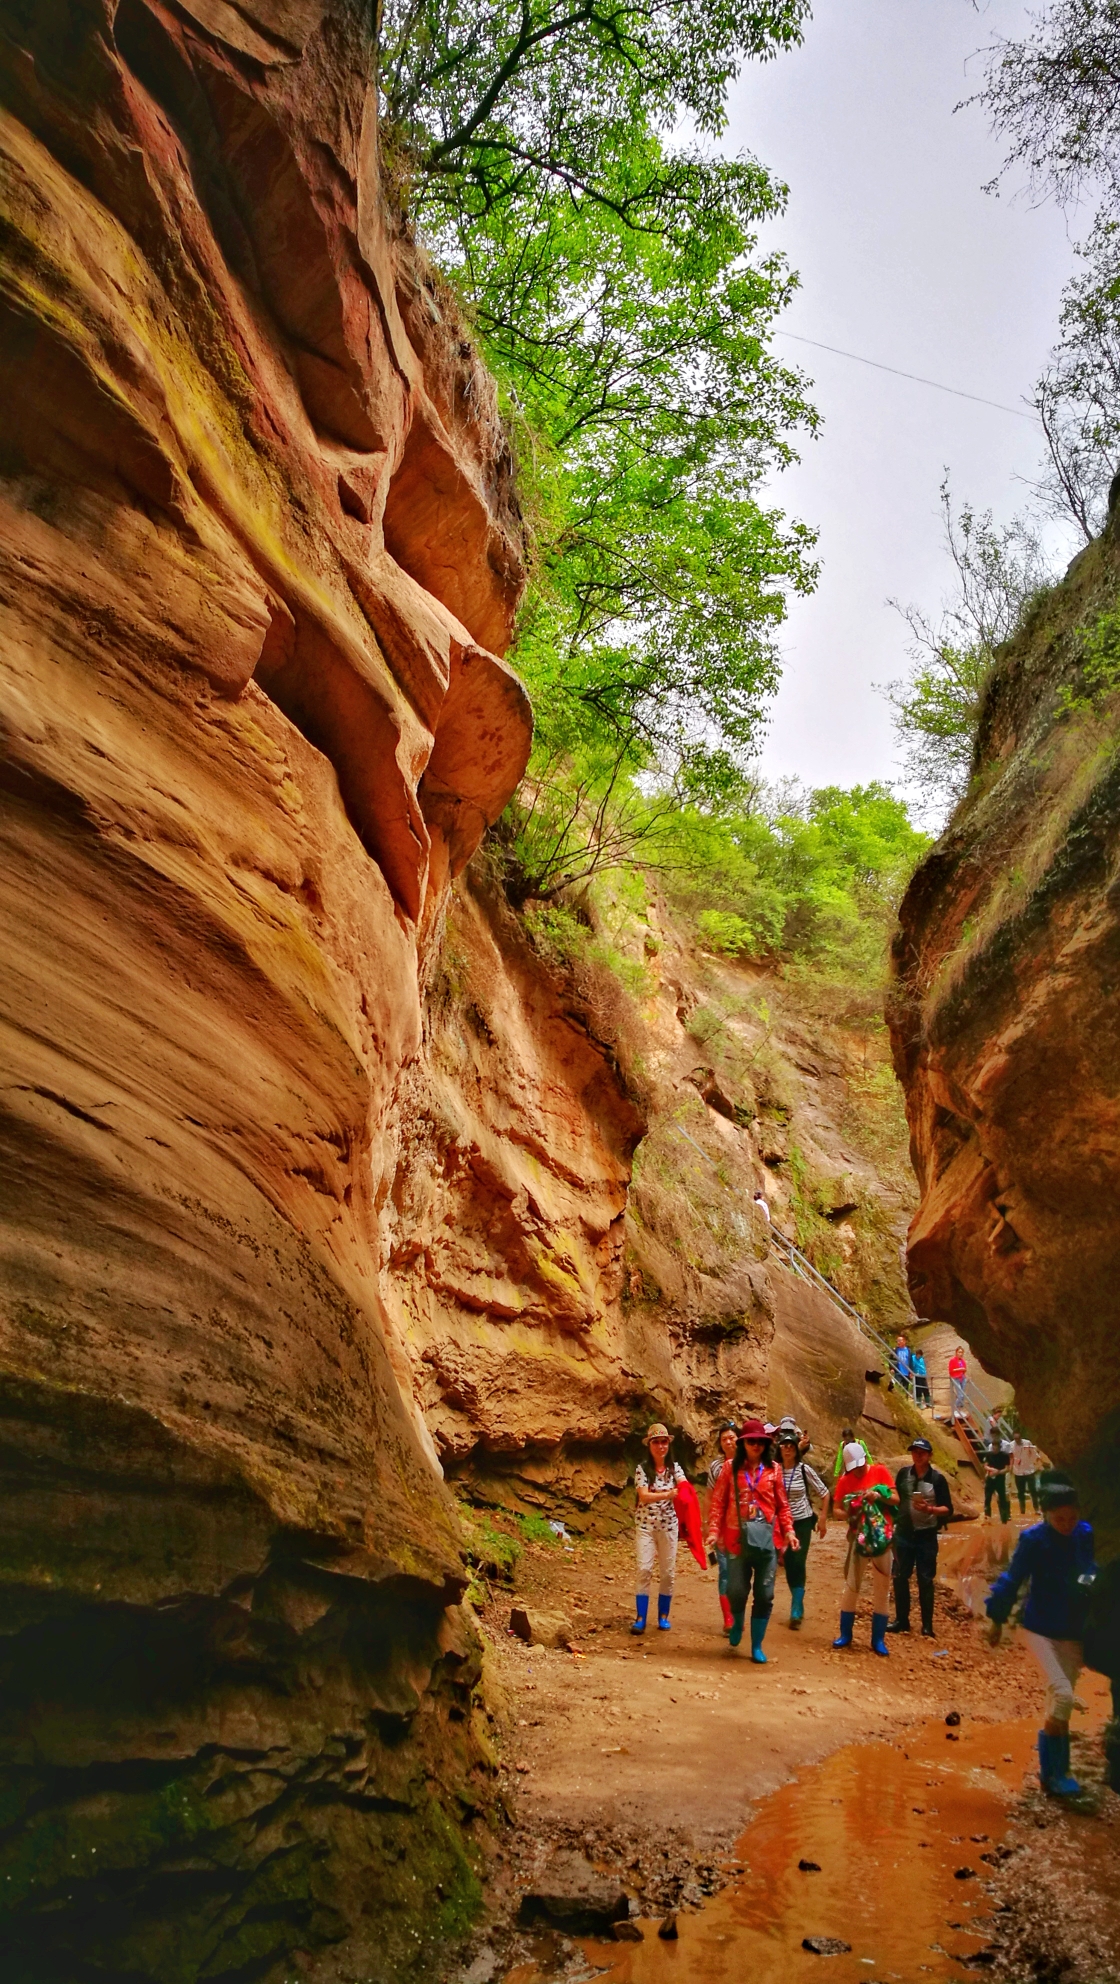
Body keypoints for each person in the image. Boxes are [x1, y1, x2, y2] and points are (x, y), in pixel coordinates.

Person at [986, 1475, 1096, 1797]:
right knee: (1063, 1695)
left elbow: (1091, 1569)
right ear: (1046, 1515)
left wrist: (1088, 1585)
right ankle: (1055, 1775)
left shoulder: (1084, 1534)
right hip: (1038, 1628)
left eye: (1072, 1518)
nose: (1066, 1525)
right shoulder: (1033, 1540)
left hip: (1072, 1630)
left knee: (1058, 1705)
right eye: (1059, 1519)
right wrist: (997, 1619)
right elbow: (1013, 1578)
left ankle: (1058, 1771)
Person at [706, 1419, 796, 1660]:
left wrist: (790, 1532)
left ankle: (757, 1645)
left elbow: (783, 1505)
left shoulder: (774, 1470)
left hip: (767, 1539)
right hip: (736, 1538)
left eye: (760, 1442)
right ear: (743, 1443)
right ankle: (737, 1622)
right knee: (735, 1589)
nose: (756, 1445)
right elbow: (718, 1502)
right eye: (751, 1441)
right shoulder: (729, 1468)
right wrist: (714, 1531)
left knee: (765, 1594)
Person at [828, 1440, 899, 1656]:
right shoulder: (845, 1481)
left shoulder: (880, 1472)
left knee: (882, 1586)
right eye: (854, 1468)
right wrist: (853, 1509)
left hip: (881, 1536)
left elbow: (896, 1499)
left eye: (860, 1467)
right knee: (852, 1585)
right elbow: (836, 1510)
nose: (858, 1472)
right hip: (858, 1537)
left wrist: (879, 1495)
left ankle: (878, 1639)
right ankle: (845, 1634)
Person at [888, 1437, 953, 1637]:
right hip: (904, 1534)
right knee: (899, 1577)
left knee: (925, 1579)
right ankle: (901, 1620)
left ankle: (927, 1626)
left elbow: (948, 1509)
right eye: (915, 1451)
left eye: (922, 1452)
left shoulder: (938, 1480)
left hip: (927, 1535)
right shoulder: (903, 1474)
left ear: (929, 1455)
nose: (917, 1455)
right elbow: (895, 1498)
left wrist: (930, 1509)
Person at [632, 1424, 686, 1634]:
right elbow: (643, 1496)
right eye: (656, 1442)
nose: (660, 1446)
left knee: (667, 1573)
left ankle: (663, 1616)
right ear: (650, 1445)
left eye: (664, 1442)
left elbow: (684, 1487)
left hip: (668, 1526)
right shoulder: (642, 1469)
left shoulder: (675, 1469)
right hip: (645, 1526)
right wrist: (667, 1495)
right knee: (644, 1569)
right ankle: (640, 1617)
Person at [776, 1429, 828, 1628]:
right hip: (782, 1523)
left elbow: (824, 1493)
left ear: (796, 1449)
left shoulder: (804, 1470)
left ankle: (796, 1606)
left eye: (791, 1446)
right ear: (779, 1449)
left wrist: (822, 1519)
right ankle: (797, 1598)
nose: (787, 1449)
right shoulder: (775, 1470)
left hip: (803, 1521)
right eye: (784, 1446)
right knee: (788, 1562)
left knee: (798, 1560)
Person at [707, 1421, 740, 1634]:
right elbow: (710, 1496)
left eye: (731, 1437)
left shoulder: (750, 1462)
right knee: (725, 1570)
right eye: (724, 1439)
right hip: (721, 1525)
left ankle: (739, 1613)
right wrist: (707, 1525)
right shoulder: (716, 1467)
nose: (728, 1442)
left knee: (742, 1573)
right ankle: (729, 1618)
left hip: (745, 1526)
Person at [1010, 1432, 1042, 1515]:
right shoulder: (1011, 1445)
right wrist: (1010, 1468)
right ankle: (1022, 1510)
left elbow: (1034, 1453)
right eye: (1015, 1439)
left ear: (1021, 1438)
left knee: (1033, 1490)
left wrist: (1037, 1461)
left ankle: (1036, 1508)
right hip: (1018, 1471)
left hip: (1029, 1470)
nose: (1017, 1440)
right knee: (1020, 1492)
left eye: (1018, 1439)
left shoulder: (1027, 1443)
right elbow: (1010, 1457)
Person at [983, 1436, 1012, 1523]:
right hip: (990, 1479)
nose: (994, 1449)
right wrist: (991, 1470)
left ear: (999, 1447)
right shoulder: (989, 1454)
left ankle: (1004, 1519)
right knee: (987, 1498)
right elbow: (985, 1465)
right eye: (993, 1447)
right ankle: (987, 1518)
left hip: (1000, 1479)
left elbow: (1007, 1468)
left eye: (996, 1447)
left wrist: (998, 1472)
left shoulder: (1004, 1456)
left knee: (1002, 1498)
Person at [948, 1345, 967, 1417]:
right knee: (960, 1394)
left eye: (962, 1352)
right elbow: (951, 1370)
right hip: (956, 1378)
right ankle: (955, 1409)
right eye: (959, 1352)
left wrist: (963, 1371)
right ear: (956, 1353)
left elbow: (965, 1369)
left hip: (963, 1378)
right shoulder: (952, 1360)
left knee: (963, 1396)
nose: (960, 1354)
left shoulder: (963, 1361)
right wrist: (959, 1369)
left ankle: (959, 1410)